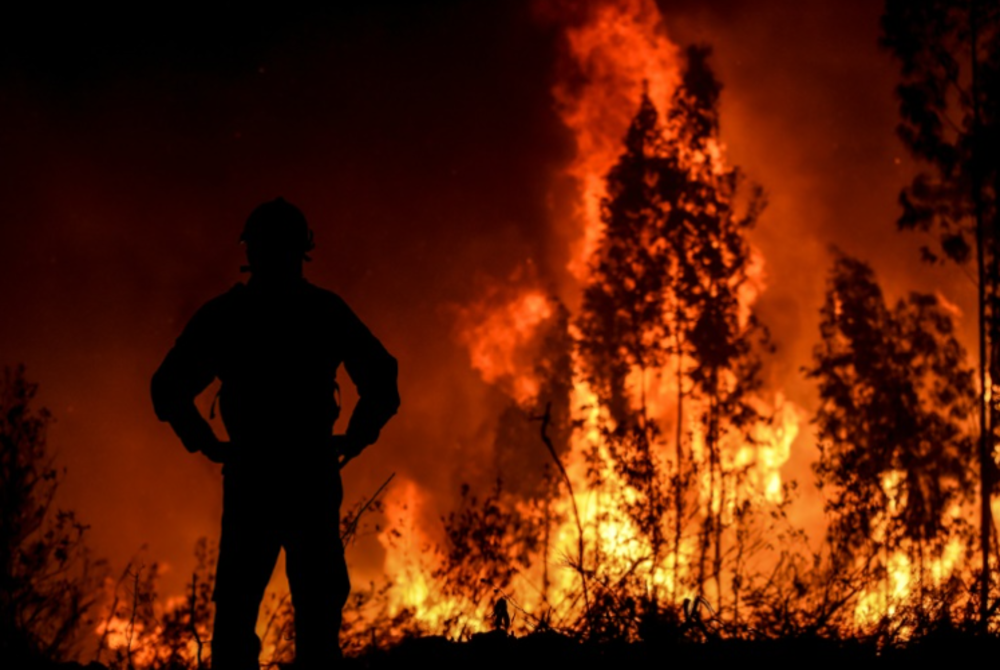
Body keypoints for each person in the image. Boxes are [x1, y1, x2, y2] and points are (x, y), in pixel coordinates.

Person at [151, 198, 400, 669]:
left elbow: (168, 389)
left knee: (242, 607)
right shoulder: (323, 311)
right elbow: (382, 379)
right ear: (301, 250)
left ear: (252, 249)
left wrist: (207, 443)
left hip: (254, 475)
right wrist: (354, 438)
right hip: (309, 473)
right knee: (316, 607)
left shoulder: (228, 316)